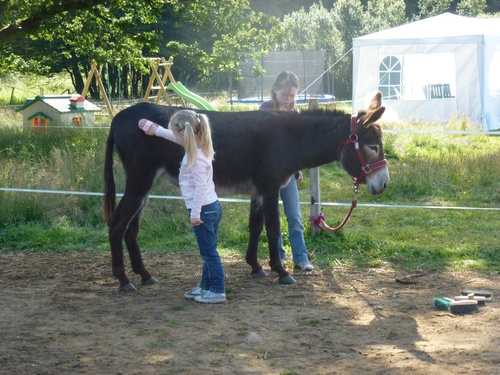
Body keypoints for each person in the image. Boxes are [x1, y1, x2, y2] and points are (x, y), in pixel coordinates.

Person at [138, 110, 225, 304]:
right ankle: (205, 286)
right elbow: (178, 138)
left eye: (175, 134)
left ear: (184, 134)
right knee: (208, 251)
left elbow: (201, 188)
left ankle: (218, 290)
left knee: (209, 253)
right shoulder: (199, 144)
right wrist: (157, 130)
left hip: (203, 209)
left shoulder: (195, 160)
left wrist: (195, 214)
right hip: (211, 207)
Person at [259, 71, 314, 271]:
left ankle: (301, 258)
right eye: (285, 94)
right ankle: (279, 256)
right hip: (268, 173)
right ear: (275, 90)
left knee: (295, 216)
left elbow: (295, 146)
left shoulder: (294, 114)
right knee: (273, 215)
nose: (289, 99)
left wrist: (297, 168)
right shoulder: (265, 110)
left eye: (292, 95)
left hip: (288, 173)